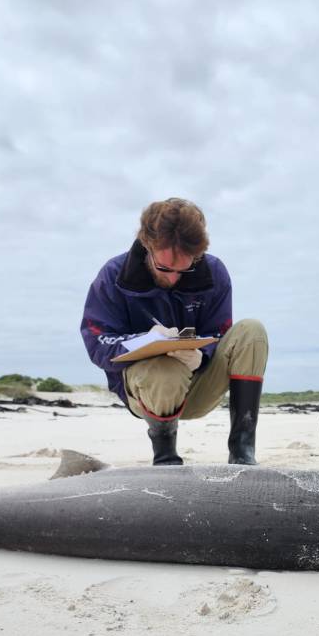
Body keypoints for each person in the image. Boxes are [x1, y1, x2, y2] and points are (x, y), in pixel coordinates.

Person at [81, 198, 268, 466]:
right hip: (146, 392)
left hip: (198, 385)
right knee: (165, 369)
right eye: (165, 268)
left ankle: (242, 453)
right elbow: (97, 344)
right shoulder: (113, 276)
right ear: (147, 244)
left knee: (253, 331)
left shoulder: (214, 273)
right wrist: (144, 341)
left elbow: (220, 331)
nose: (173, 278)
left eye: (185, 269)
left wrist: (202, 355)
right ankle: (165, 458)